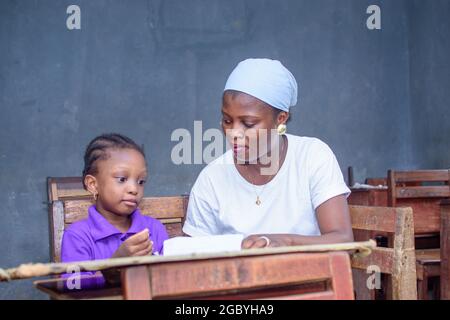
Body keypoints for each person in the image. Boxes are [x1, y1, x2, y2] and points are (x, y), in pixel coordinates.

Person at [182, 58, 353, 249]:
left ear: (280, 119)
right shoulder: (212, 179)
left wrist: (286, 242)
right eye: (227, 121)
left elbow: (343, 240)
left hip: (310, 277)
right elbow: (192, 255)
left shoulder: (312, 157)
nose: (234, 133)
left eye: (248, 123)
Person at [61, 133, 168, 285]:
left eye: (141, 181)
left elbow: (169, 282)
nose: (134, 189)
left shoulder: (154, 229)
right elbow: (73, 288)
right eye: (122, 179)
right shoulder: (78, 236)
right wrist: (112, 268)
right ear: (93, 184)